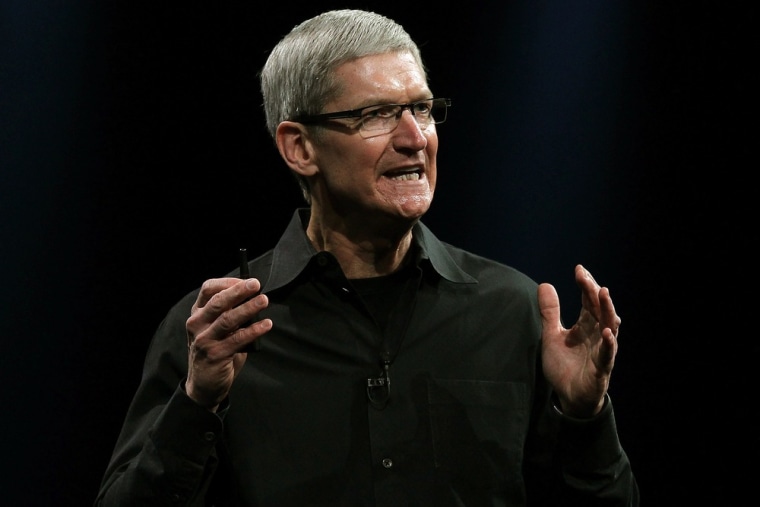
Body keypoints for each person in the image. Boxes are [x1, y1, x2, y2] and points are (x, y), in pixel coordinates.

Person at [95, 9, 639, 506]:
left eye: (422, 109)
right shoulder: (216, 331)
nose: (413, 138)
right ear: (299, 148)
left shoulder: (511, 310)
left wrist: (585, 418)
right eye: (376, 114)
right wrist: (197, 404)